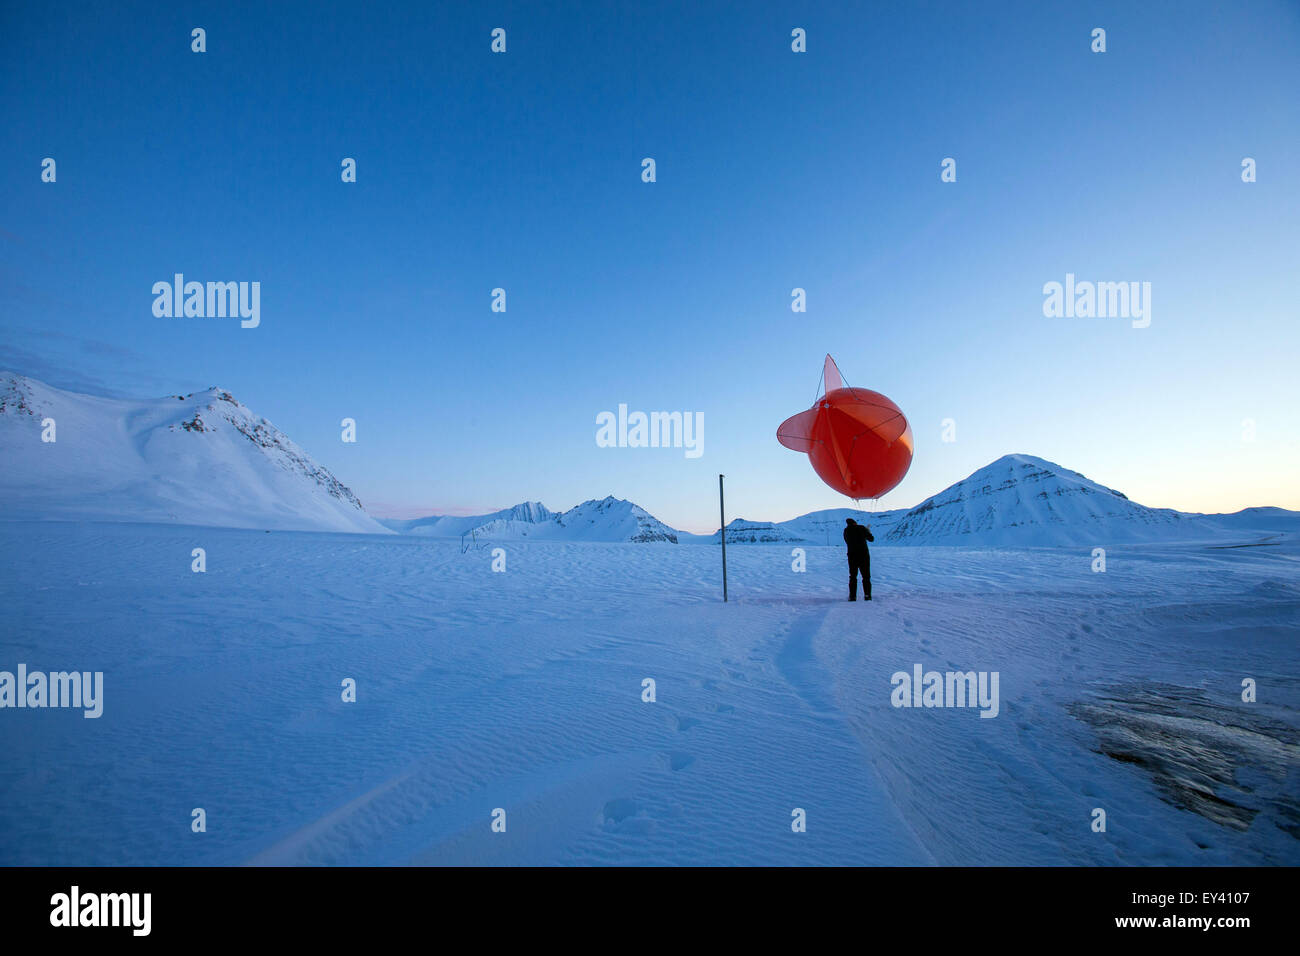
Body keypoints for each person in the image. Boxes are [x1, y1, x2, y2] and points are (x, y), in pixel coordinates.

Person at [843, 517, 873, 601]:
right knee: (866, 576)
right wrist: (868, 531)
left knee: (853, 577)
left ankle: (852, 596)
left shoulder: (846, 531)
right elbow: (871, 539)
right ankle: (867, 595)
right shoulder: (862, 528)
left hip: (852, 556)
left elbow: (847, 541)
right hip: (864, 556)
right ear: (855, 523)